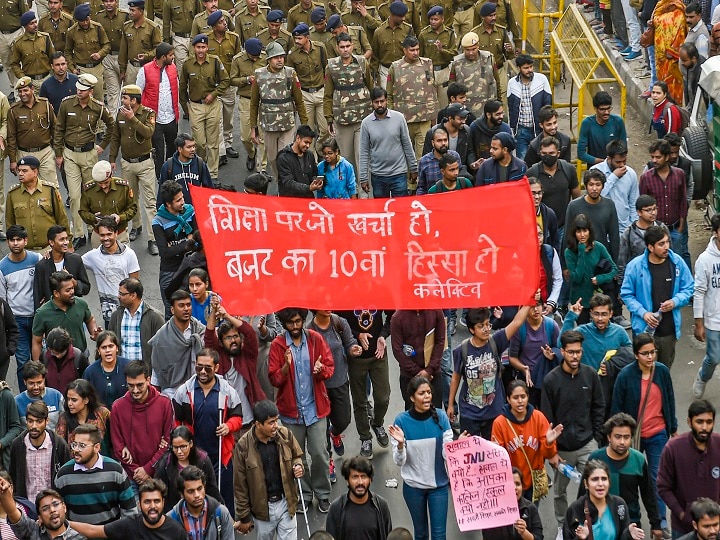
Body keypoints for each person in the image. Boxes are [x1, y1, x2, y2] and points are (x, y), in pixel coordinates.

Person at [269, 308, 334, 513]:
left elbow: (330, 367)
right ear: (284, 323)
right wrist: (285, 368)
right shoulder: (278, 345)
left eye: (298, 321)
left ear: (303, 320)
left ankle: (322, 493)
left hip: (315, 410)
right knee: (297, 458)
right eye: (290, 323)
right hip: (290, 413)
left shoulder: (315, 339)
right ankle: (303, 495)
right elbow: (274, 379)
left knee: (319, 454)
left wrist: (320, 370)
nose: (295, 326)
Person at [610, 333, 676, 534]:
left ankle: (661, 522)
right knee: (630, 479)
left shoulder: (662, 372)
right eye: (645, 353)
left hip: (658, 434)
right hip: (632, 437)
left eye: (653, 352)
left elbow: (669, 399)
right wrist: (617, 435)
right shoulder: (625, 375)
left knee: (658, 478)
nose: (650, 357)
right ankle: (631, 521)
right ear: (636, 355)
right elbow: (616, 407)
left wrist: (672, 427)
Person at [541, 331, 605, 529]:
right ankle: (563, 527)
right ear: (562, 352)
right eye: (571, 352)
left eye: (578, 352)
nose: (575, 356)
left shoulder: (590, 375)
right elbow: (546, 419)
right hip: (562, 450)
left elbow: (599, 406)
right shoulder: (551, 380)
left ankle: (593, 525)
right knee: (559, 492)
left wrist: (596, 437)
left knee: (595, 486)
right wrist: (552, 452)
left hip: (588, 444)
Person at [172, 347, 243, 511]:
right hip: (194, 456)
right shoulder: (184, 391)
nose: (202, 371)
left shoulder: (227, 392)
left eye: (207, 368)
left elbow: (238, 418)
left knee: (224, 498)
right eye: (199, 367)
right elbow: (176, 421)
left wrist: (228, 426)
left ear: (217, 368)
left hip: (220, 456)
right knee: (196, 497)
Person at [448, 306, 531, 439]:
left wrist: (529, 301)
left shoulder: (496, 341)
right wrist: (451, 404)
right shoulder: (461, 349)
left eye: (488, 324)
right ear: (471, 330)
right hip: (470, 413)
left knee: (494, 452)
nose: (486, 329)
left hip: (494, 412)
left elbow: (516, 322)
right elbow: (456, 377)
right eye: (481, 326)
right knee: (471, 453)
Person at [53, 73, 115, 249]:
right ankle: (78, 233)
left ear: (91, 91)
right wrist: (58, 153)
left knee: (90, 194)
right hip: (70, 153)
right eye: (78, 88)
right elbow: (59, 129)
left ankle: (91, 227)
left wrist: (102, 145)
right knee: (74, 196)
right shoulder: (66, 104)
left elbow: (111, 126)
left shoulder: (98, 108)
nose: (79, 91)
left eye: (83, 90)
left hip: (89, 154)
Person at [620, 225, 694, 369]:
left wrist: (675, 301)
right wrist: (644, 313)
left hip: (668, 330)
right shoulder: (635, 267)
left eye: (667, 242)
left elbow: (689, 287)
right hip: (644, 331)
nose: (666, 247)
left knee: (663, 371)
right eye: (661, 244)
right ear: (650, 247)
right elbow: (627, 294)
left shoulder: (676, 262)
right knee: (644, 373)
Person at [388, 376, 453, 540]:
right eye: (422, 393)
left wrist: (457, 448)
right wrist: (402, 444)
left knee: (439, 535)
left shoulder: (441, 418)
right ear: (412, 397)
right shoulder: (401, 421)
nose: (427, 396)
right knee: (421, 534)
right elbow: (398, 461)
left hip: (438, 486)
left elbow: (447, 455)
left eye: (429, 392)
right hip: (413, 488)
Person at [583, 414, 661, 536]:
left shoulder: (639, 460)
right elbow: (583, 494)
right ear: (609, 437)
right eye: (618, 437)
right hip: (600, 523)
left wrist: (656, 524)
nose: (622, 442)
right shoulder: (596, 458)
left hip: (631, 524)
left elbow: (648, 494)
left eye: (626, 437)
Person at [233, 400, 304, 535]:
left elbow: (297, 456)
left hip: (286, 503)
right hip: (262, 511)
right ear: (258, 424)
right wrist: (244, 516)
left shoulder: (285, 435)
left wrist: (298, 465)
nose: (276, 426)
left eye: (276, 421)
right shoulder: (243, 447)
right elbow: (239, 485)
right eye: (271, 422)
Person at [335, 308, 393, 460]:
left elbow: (392, 315)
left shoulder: (379, 291)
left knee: (383, 397)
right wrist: (356, 335)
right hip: (356, 357)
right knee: (359, 401)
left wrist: (383, 335)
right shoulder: (347, 295)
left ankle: (377, 423)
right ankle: (365, 438)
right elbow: (337, 323)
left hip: (378, 354)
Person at [491, 379, 562, 502]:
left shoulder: (538, 418)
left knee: (531, 517)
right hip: (511, 483)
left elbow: (548, 455)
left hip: (533, 482)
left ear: (528, 397)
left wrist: (549, 443)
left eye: (523, 397)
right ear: (508, 399)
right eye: (515, 397)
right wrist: (495, 451)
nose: (520, 401)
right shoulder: (500, 423)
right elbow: (498, 462)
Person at [108, 84, 159, 255]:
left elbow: (148, 133)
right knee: (131, 199)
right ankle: (136, 226)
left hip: (145, 164)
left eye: (125, 98)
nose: (122, 101)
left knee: (150, 202)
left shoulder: (148, 114)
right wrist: (112, 159)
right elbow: (115, 137)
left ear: (134, 100)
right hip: (127, 163)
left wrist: (133, 119)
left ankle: (153, 238)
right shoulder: (120, 114)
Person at [658, 400, 720, 537]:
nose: (704, 427)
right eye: (699, 422)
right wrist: (682, 514)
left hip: (714, 528)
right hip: (682, 528)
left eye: (709, 422)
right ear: (689, 422)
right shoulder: (673, 448)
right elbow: (663, 486)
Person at [54, 423, 137, 524]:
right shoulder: (63, 474)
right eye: (74, 444)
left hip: (110, 533)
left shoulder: (115, 471)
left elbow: (129, 510)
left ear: (96, 447)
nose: (75, 449)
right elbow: (58, 511)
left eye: (82, 446)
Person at [249, 41, 308, 182]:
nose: (280, 60)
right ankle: (280, 182)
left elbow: (299, 101)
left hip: (287, 124)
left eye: (281, 56)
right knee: (273, 159)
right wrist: (253, 128)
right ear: (268, 59)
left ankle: (287, 186)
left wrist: (304, 126)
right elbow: (254, 104)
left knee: (286, 157)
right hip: (269, 126)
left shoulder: (290, 74)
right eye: (276, 57)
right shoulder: (259, 75)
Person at [110, 360, 173, 490]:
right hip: (130, 477)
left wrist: (148, 469)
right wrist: (137, 472)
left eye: (140, 385)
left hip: (159, 474)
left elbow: (168, 441)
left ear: (148, 380)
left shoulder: (164, 403)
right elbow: (118, 446)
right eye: (130, 385)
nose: (135, 390)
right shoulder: (118, 407)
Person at [205, 302, 265, 432]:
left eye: (236, 336)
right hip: (225, 424)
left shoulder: (248, 356)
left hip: (249, 422)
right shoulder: (218, 357)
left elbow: (249, 333)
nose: (233, 340)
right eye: (228, 338)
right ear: (220, 342)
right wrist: (214, 311)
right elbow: (209, 337)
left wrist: (227, 316)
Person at [179, 33, 229, 181]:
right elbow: (182, 87)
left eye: (203, 47)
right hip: (195, 106)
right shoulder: (187, 64)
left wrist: (213, 94)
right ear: (194, 48)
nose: (201, 50)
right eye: (198, 47)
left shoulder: (214, 62)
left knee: (213, 142)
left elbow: (225, 81)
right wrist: (185, 108)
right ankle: (201, 166)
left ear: (207, 48)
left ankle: (213, 174)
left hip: (212, 105)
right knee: (199, 142)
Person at [69, 479, 187, 539]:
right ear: (139, 505)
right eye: (147, 502)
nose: (152, 506)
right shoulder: (129, 525)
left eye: (156, 501)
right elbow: (93, 530)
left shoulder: (176, 531)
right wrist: (65, 522)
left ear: (163, 503)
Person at [562, 460, 645, 540]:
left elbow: (622, 536)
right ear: (586, 484)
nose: (600, 484)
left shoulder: (619, 504)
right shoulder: (575, 509)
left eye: (604, 479)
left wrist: (628, 535)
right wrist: (580, 539)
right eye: (595, 479)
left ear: (609, 482)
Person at [359, 87, 418, 197]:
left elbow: (407, 144)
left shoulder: (399, 118)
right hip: (378, 176)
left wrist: (413, 168)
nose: (380, 105)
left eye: (382, 101)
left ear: (386, 101)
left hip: (399, 173)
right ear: (372, 103)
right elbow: (364, 152)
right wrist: (363, 178)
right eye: (376, 102)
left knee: (401, 209)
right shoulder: (366, 124)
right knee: (382, 211)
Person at [152, 180, 198, 320]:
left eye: (182, 197)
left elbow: (198, 238)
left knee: (193, 310)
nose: (183, 202)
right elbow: (165, 252)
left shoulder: (190, 211)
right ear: (168, 204)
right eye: (178, 200)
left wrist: (177, 246)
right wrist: (188, 242)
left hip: (191, 268)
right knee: (171, 311)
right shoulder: (158, 221)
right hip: (170, 272)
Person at [82, 218, 140, 326]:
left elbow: (135, 285)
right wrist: (51, 253)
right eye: (102, 235)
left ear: (116, 233)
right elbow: (73, 262)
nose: (105, 238)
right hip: (109, 315)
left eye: (109, 234)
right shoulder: (93, 256)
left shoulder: (129, 254)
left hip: (128, 312)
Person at [31, 270, 101, 361]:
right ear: (56, 293)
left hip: (80, 359)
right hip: (56, 361)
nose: (72, 292)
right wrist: (39, 369)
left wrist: (94, 332)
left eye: (72, 288)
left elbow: (90, 319)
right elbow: (37, 342)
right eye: (68, 290)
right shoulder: (42, 313)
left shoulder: (81, 304)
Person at [8, 401, 71, 501]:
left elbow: (67, 478)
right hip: (27, 507)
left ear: (47, 421)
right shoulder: (18, 445)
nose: (34, 426)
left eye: (39, 421)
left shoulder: (59, 445)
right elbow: (13, 478)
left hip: (53, 507)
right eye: (30, 421)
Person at [386, 35, 437, 159]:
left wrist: (434, 117)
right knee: (405, 156)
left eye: (417, 49)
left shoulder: (427, 64)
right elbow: (389, 95)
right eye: (412, 50)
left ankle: (421, 179)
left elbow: (432, 91)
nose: (415, 53)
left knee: (422, 156)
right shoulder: (395, 67)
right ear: (404, 50)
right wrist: (391, 118)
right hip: (403, 119)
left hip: (424, 119)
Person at [148, 290, 205, 397]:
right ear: (172, 310)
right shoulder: (162, 336)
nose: (186, 309)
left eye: (188, 305)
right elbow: (157, 369)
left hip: (197, 391)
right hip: (171, 392)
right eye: (181, 305)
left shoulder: (200, 331)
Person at [6, 157, 69, 252]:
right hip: (24, 251)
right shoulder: (13, 194)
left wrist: (68, 244)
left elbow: (62, 219)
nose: (20, 174)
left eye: (24, 171)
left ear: (35, 172)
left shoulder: (50, 190)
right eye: (19, 171)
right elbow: (10, 223)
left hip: (49, 249)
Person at [564, 215, 618, 324]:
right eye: (578, 231)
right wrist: (581, 252)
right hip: (580, 300)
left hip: (599, 299)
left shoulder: (598, 247)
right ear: (574, 233)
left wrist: (601, 278)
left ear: (590, 231)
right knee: (583, 332)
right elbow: (577, 278)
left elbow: (614, 269)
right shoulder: (569, 252)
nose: (582, 235)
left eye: (585, 230)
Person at [507, 296, 561, 407]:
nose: (536, 310)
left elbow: (560, 350)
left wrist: (552, 354)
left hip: (546, 377)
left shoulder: (551, 325)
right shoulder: (519, 328)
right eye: (531, 307)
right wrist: (523, 368)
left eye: (538, 305)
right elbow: (512, 358)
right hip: (527, 380)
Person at [154, 425, 222, 512]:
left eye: (183, 447)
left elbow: (212, 489)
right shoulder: (166, 463)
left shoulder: (203, 460)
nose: (179, 452)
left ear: (190, 444)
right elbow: (158, 489)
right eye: (175, 448)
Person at [639, 139, 688, 258]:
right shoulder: (646, 178)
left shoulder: (679, 174)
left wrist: (681, 228)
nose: (654, 160)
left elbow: (683, 201)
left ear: (667, 157)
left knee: (677, 263)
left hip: (675, 229)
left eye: (658, 157)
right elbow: (643, 207)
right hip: (656, 233)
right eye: (652, 157)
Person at [285, 23, 328, 158]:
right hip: (304, 95)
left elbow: (326, 68)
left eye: (300, 38)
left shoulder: (320, 48)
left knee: (325, 128)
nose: (296, 41)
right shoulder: (292, 55)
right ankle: (312, 158)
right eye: (295, 39)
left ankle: (319, 148)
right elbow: (290, 76)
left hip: (321, 91)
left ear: (307, 37)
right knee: (307, 130)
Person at [137, 43, 179, 180]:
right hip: (155, 119)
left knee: (172, 148)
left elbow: (176, 88)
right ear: (163, 57)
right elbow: (138, 92)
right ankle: (161, 178)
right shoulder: (145, 70)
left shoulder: (173, 68)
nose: (173, 57)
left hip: (171, 117)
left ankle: (170, 173)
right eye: (171, 55)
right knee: (158, 151)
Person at [326, 456, 393, 540]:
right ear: (347, 480)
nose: (360, 482)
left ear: (370, 480)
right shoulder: (336, 508)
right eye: (355, 477)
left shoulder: (381, 506)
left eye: (363, 476)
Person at [391, 309, 446, 411]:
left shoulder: (436, 311)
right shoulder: (397, 317)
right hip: (409, 377)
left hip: (433, 374)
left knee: (435, 414)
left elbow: (440, 341)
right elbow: (397, 350)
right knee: (412, 416)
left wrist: (429, 370)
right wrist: (418, 372)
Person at [560, 293, 631, 371]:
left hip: (612, 380)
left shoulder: (619, 332)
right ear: (591, 313)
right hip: (588, 380)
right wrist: (570, 317)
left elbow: (629, 354)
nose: (600, 318)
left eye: (604, 314)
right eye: (596, 314)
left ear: (610, 314)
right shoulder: (582, 331)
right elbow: (561, 344)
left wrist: (612, 365)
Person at [7, 77, 57, 187]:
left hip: (45, 153)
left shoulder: (45, 105)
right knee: (28, 189)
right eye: (20, 91)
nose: (22, 94)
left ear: (32, 89)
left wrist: (58, 153)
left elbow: (55, 129)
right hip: (24, 154)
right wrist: (12, 160)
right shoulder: (13, 110)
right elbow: (11, 137)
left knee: (52, 187)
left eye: (25, 90)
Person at [565, 169, 621, 267]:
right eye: (591, 185)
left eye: (598, 184)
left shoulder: (609, 205)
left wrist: (614, 263)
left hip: (602, 260)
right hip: (579, 259)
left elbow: (614, 236)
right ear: (586, 186)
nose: (594, 188)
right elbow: (567, 235)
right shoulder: (574, 206)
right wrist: (565, 265)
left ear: (603, 186)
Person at [0, 225, 34, 384]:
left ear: (25, 241)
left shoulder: (37, 259)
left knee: (40, 360)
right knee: (23, 364)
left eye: (19, 239)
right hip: (17, 320)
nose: (15, 243)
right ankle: (24, 400)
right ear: (7, 242)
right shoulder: (2, 267)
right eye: (12, 240)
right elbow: (2, 299)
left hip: (36, 318)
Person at [107, 277, 164, 367]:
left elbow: (162, 348)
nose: (118, 297)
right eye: (119, 293)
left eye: (122, 294)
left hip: (145, 373)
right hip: (122, 371)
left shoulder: (154, 317)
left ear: (133, 295)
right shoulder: (116, 316)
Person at [78, 161, 138, 247]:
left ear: (111, 175)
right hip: (99, 235)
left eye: (106, 182)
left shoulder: (123, 187)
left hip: (119, 234)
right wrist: (94, 218)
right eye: (99, 183)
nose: (103, 186)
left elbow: (133, 208)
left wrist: (120, 218)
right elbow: (83, 211)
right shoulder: (89, 190)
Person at [229, 38, 267, 173]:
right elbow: (232, 80)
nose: (256, 59)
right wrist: (246, 80)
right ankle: (251, 154)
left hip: (263, 100)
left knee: (263, 136)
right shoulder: (237, 59)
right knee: (246, 137)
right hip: (246, 100)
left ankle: (261, 168)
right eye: (253, 57)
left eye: (258, 57)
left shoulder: (265, 57)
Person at [167, 466, 235, 540]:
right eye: (191, 491)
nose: (197, 495)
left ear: (204, 487)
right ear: (182, 494)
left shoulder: (221, 513)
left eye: (199, 489)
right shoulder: (171, 519)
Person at [693, 212, 720, 398]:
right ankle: (703, 376)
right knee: (714, 357)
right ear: (716, 232)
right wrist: (699, 323)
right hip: (714, 319)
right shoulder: (705, 260)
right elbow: (699, 292)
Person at [0, 480, 83, 540]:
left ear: (64, 507)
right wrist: (4, 492)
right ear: (39, 517)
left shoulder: (77, 537)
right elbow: (12, 512)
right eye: (45, 508)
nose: (52, 510)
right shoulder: (32, 531)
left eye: (56, 504)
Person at [33, 226, 90, 310]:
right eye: (61, 239)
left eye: (66, 239)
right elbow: (38, 297)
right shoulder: (42, 266)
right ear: (51, 242)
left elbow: (86, 288)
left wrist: (72, 281)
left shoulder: (75, 260)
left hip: (74, 313)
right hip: (53, 316)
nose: (66, 242)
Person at [507, 54, 552, 160]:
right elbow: (511, 107)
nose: (529, 70)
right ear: (519, 68)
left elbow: (548, 104)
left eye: (531, 67)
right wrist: (513, 129)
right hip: (521, 130)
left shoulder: (542, 79)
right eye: (526, 68)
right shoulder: (512, 83)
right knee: (522, 161)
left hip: (539, 129)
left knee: (541, 160)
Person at [591, 140, 640, 235]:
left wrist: (633, 225)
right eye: (618, 162)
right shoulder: (595, 171)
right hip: (601, 230)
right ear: (609, 158)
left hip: (624, 230)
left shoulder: (631, 174)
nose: (622, 165)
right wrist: (613, 177)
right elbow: (595, 195)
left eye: (624, 161)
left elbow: (633, 203)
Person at [483, 467, 543, 540]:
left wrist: (524, 532)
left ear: (522, 487)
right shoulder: (492, 511)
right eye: (510, 484)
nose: (515, 488)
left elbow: (539, 537)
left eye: (517, 484)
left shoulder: (530, 508)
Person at [448, 31, 498, 118]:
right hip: (465, 108)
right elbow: (451, 86)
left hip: (487, 106)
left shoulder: (489, 58)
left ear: (478, 46)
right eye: (467, 50)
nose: (471, 53)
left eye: (473, 49)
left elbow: (496, 81)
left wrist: (499, 103)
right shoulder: (457, 63)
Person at [54, 379, 111, 453]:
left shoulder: (102, 413)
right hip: (75, 462)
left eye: (74, 400)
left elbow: (114, 437)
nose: (69, 403)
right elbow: (59, 445)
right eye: (68, 399)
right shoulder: (64, 419)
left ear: (86, 400)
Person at [64, 4, 110, 96]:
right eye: (82, 21)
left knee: (98, 97)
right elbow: (68, 52)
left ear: (90, 17)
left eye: (86, 20)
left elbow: (107, 45)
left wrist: (100, 54)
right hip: (81, 69)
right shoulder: (71, 32)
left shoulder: (98, 28)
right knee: (82, 97)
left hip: (96, 68)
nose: (85, 23)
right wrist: (72, 69)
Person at [157, 133, 213, 207]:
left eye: (193, 146)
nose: (193, 149)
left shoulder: (200, 163)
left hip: (196, 211)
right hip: (177, 213)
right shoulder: (168, 166)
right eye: (189, 147)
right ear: (180, 149)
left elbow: (209, 190)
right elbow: (162, 193)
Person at [417, 7, 455, 111]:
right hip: (428, 72)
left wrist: (442, 50)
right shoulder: (423, 34)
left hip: (443, 71)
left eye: (436, 19)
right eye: (431, 19)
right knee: (429, 104)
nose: (433, 22)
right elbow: (419, 55)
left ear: (442, 19)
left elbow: (453, 54)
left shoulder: (449, 34)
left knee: (444, 104)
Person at [422, 104, 474, 178]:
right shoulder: (433, 132)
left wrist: (472, 163)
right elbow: (427, 156)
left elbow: (470, 151)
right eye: (460, 119)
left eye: (465, 118)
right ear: (450, 118)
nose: (463, 121)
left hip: (458, 175)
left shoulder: (467, 131)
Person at [96, 0, 130, 115]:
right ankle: (113, 123)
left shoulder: (125, 16)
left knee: (127, 91)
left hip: (123, 57)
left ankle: (128, 120)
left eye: (111, 1)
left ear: (117, 2)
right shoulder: (99, 17)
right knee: (112, 92)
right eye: (106, 1)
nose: (108, 4)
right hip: (108, 57)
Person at [577, 91, 627, 167]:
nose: (607, 112)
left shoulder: (618, 122)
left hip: (615, 168)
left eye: (609, 108)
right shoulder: (587, 123)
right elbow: (581, 154)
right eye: (602, 109)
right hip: (595, 170)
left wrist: (614, 163)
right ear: (595, 109)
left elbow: (624, 149)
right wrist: (601, 162)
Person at [618, 195, 661, 283]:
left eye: (654, 209)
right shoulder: (629, 233)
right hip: (637, 279)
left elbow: (670, 255)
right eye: (648, 210)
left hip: (659, 277)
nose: (653, 213)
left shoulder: (662, 229)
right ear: (639, 212)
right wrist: (622, 286)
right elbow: (622, 263)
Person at [9, 12, 55, 93]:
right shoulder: (18, 43)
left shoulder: (45, 38)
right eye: (31, 23)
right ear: (25, 26)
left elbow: (53, 57)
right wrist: (23, 78)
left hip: (47, 78)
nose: (35, 25)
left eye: (35, 22)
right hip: (31, 81)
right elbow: (14, 64)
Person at [370, 2, 413, 89]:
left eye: (404, 16)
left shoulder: (408, 29)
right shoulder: (379, 32)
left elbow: (412, 50)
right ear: (393, 15)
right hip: (385, 71)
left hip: (404, 69)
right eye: (401, 16)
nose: (403, 19)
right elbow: (375, 57)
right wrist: (373, 74)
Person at [651, 0, 687, 105]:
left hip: (671, 59)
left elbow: (681, 35)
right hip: (660, 58)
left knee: (673, 87)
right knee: (661, 85)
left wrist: (672, 51)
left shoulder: (679, 11)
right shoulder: (660, 7)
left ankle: (673, 111)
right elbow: (655, 20)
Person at [118, 0, 161, 85]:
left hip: (147, 67)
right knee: (130, 94)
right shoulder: (127, 27)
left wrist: (147, 56)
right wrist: (122, 70)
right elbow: (123, 50)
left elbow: (159, 49)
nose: (130, 13)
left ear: (141, 11)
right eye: (129, 9)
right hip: (131, 68)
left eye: (133, 10)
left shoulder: (153, 27)